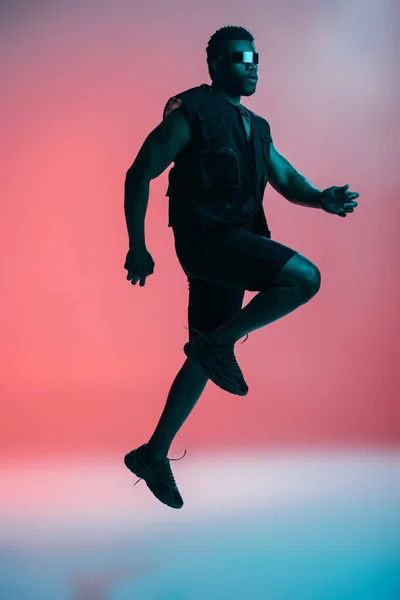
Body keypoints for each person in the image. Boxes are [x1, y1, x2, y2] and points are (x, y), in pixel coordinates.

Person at [122, 26, 359, 509]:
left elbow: (287, 178)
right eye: (237, 57)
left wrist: (321, 199)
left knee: (202, 359)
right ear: (213, 63)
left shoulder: (257, 125)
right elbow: (139, 172)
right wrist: (137, 246)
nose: (249, 65)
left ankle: (153, 453)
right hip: (210, 243)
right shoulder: (191, 113)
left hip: (234, 246)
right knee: (304, 278)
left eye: (254, 58)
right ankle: (219, 345)